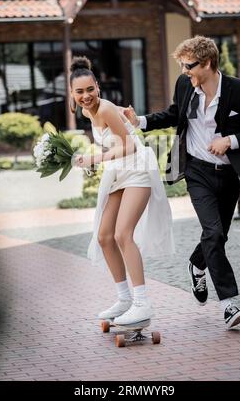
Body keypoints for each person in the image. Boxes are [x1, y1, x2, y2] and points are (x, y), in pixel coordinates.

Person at [124, 35, 240, 329]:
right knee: (213, 231)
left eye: (188, 66)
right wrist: (139, 121)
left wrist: (230, 141)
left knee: (218, 236)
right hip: (197, 172)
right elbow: (174, 114)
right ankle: (229, 305)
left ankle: (197, 263)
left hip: (229, 174)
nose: (184, 72)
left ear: (207, 63)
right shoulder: (185, 86)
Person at [70, 56, 175, 325]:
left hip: (138, 167)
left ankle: (142, 303)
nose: (86, 96)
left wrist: (94, 159)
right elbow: (115, 136)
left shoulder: (103, 108)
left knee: (122, 234)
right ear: (72, 93)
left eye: (90, 90)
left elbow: (129, 146)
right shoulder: (87, 111)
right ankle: (124, 298)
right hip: (118, 171)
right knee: (105, 236)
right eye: (80, 92)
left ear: (98, 88)